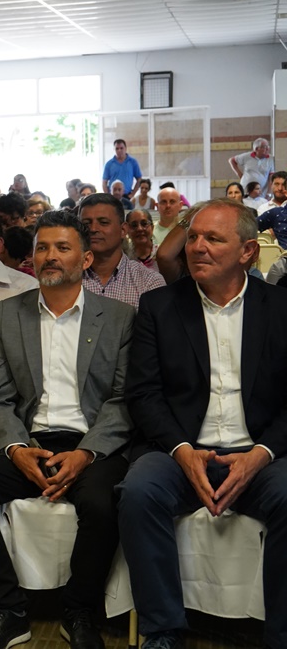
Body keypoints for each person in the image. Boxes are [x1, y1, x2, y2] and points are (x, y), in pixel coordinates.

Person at [0, 210, 136, 649]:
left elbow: (124, 400)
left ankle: (79, 609)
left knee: (103, 502)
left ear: (86, 259)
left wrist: (87, 453)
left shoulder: (118, 317)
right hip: (29, 439)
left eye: (62, 248)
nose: (49, 257)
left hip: (90, 443)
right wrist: (15, 447)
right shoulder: (10, 314)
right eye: (42, 248)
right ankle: (9, 609)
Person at [119, 199, 287, 649]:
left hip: (261, 453)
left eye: (213, 238)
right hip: (180, 449)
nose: (197, 247)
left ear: (248, 252)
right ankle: (162, 630)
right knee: (139, 492)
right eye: (193, 236)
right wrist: (180, 449)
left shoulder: (280, 307)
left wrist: (261, 454)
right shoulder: (160, 306)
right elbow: (144, 393)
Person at [79, 194, 165, 309]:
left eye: (103, 222)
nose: (93, 229)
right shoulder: (68, 278)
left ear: (123, 230)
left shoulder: (149, 282)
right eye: (86, 224)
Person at [257, 171, 287, 248]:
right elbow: (250, 227)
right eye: (277, 184)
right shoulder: (270, 211)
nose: (280, 188)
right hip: (271, 252)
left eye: (283, 185)